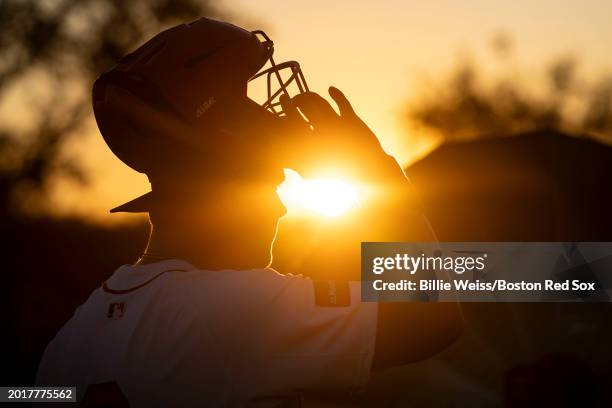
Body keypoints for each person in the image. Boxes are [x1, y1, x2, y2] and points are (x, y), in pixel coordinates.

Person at [36, 17, 463, 407]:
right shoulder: (239, 310)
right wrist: (379, 174)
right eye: (273, 187)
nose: (279, 209)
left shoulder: (68, 341)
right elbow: (432, 314)